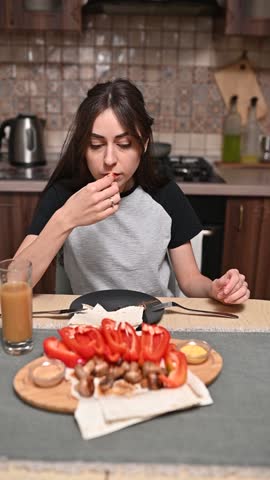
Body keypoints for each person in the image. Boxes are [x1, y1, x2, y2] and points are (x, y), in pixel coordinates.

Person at [14, 78, 250, 304]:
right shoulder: (63, 195)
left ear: (144, 143)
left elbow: (190, 280)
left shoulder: (165, 194)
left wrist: (214, 288)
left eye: (124, 144)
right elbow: (13, 284)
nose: (109, 159)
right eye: (96, 145)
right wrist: (66, 218)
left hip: (154, 325)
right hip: (90, 326)